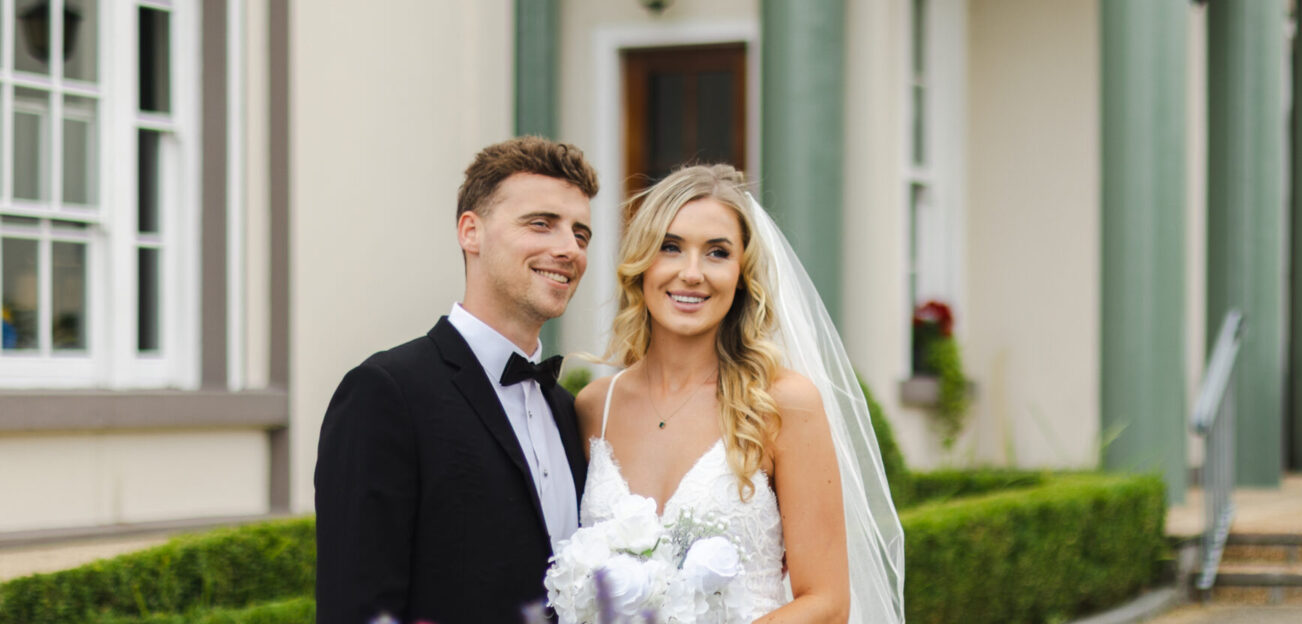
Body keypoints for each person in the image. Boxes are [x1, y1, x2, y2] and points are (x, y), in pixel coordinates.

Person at [562, 164, 903, 622]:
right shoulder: (594, 408)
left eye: (717, 253)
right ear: (642, 262)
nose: (692, 273)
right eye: (670, 247)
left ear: (742, 274)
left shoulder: (783, 403)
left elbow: (826, 603)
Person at [315, 136, 599, 624]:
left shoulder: (569, 409)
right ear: (471, 231)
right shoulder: (385, 393)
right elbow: (357, 609)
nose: (568, 248)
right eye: (541, 224)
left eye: (580, 234)